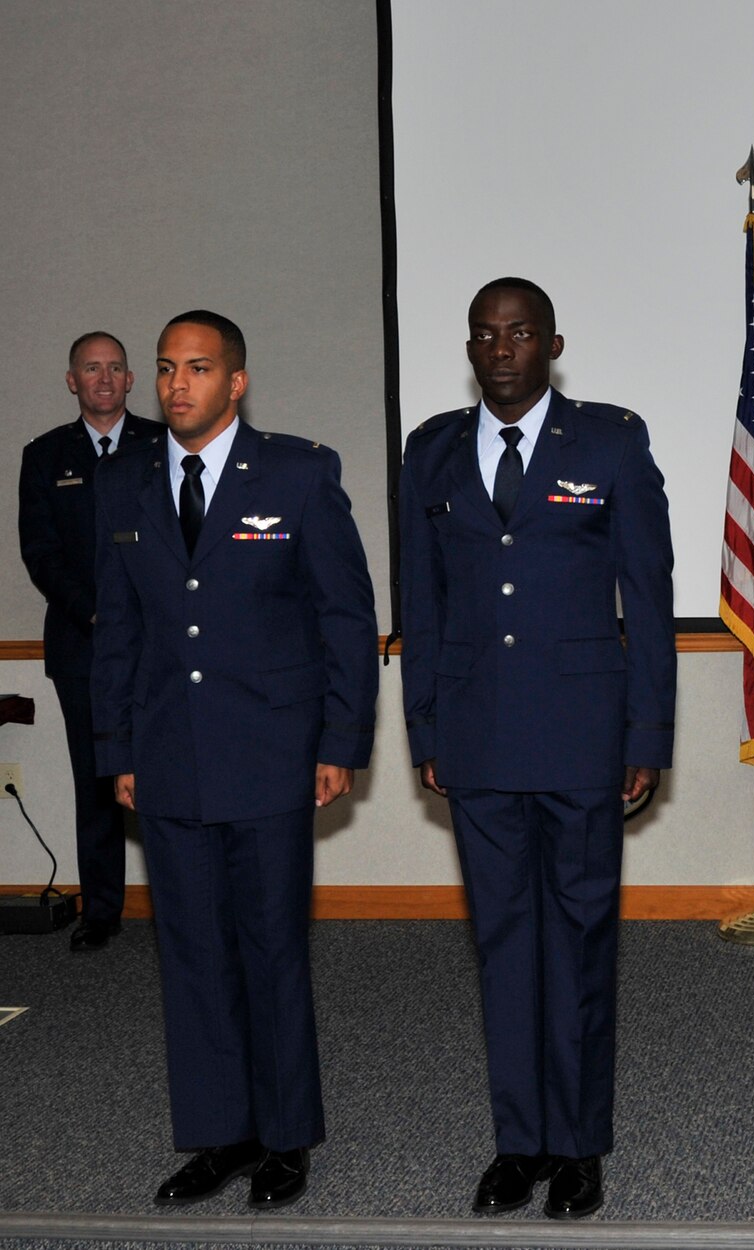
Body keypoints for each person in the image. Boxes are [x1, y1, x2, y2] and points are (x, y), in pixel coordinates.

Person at [399, 277, 676, 1221]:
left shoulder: (609, 441)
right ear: (470, 349)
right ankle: (519, 1143)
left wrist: (648, 733)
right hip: (476, 738)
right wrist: (424, 728)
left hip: (582, 736)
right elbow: (422, 605)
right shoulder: (431, 451)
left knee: (582, 940)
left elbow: (648, 594)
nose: (502, 349)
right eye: (485, 335)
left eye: (519, 333)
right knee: (505, 942)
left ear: (553, 343)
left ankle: (580, 1145)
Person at [93, 310, 377, 1208]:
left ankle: (286, 1138)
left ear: (236, 383)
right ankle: (222, 1135)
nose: (179, 385)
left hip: (271, 756)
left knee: (269, 949)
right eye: (168, 369)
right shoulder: (131, 487)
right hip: (169, 758)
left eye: (200, 369)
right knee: (191, 954)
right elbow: (121, 632)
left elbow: (344, 617)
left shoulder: (297, 473)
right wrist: (118, 750)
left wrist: (340, 742)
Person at [17, 332, 163, 950]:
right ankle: (102, 911)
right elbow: (41, 554)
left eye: (114, 368)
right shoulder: (45, 455)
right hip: (83, 645)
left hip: (163, 645)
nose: (103, 378)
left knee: (169, 773)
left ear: (131, 380)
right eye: (90, 369)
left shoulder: (164, 444)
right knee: (97, 780)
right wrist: (100, 616)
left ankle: (183, 903)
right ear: (72, 381)